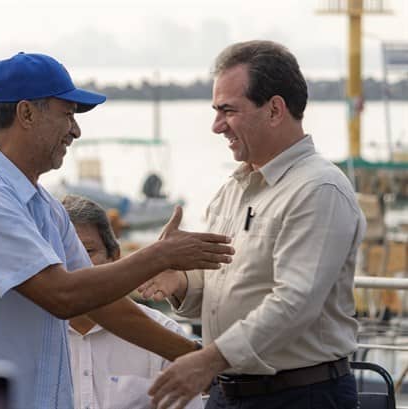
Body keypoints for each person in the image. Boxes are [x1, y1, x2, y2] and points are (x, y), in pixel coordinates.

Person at [0, 52, 234, 409]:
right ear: (26, 114)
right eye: (68, 115)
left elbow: (103, 306)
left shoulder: (44, 207)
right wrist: (160, 256)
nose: (76, 131)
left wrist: (203, 360)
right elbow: (62, 296)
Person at [141, 40, 366, 409]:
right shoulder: (234, 188)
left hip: (300, 397)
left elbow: (294, 304)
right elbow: (225, 287)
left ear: (275, 109)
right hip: (228, 392)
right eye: (216, 111)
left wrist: (208, 360)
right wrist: (179, 282)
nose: (216, 126)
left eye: (228, 111)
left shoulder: (318, 189)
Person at [63, 194, 204, 409]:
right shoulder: (31, 339)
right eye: (59, 252)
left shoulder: (165, 332)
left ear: (115, 257)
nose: (73, 264)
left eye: (87, 251)